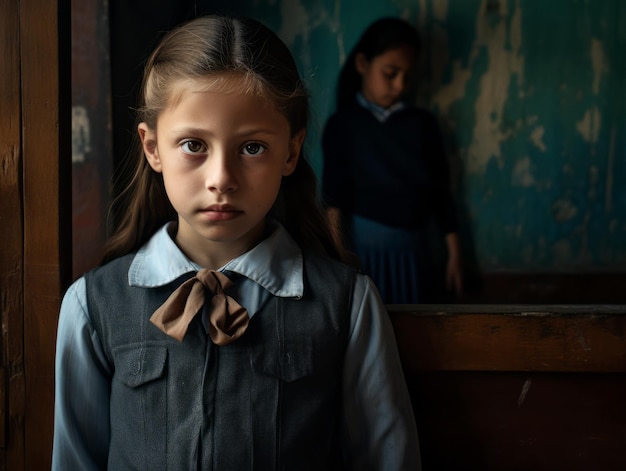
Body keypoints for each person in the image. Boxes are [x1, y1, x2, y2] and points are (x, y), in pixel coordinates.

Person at [52, 15, 421, 470]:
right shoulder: (92, 307)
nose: (221, 179)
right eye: (193, 145)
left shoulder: (347, 303)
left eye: (252, 148)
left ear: (290, 151)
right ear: (152, 148)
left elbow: (387, 459)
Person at [322, 17, 463, 304]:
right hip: (362, 254)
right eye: (390, 73)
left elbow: (441, 191)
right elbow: (333, 199)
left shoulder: (423, 124)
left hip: (415, 253)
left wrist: (455, 256)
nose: (399, 85)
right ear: (362, 64)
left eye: (407, 76)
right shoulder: (343, 124)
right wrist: (336, 261)